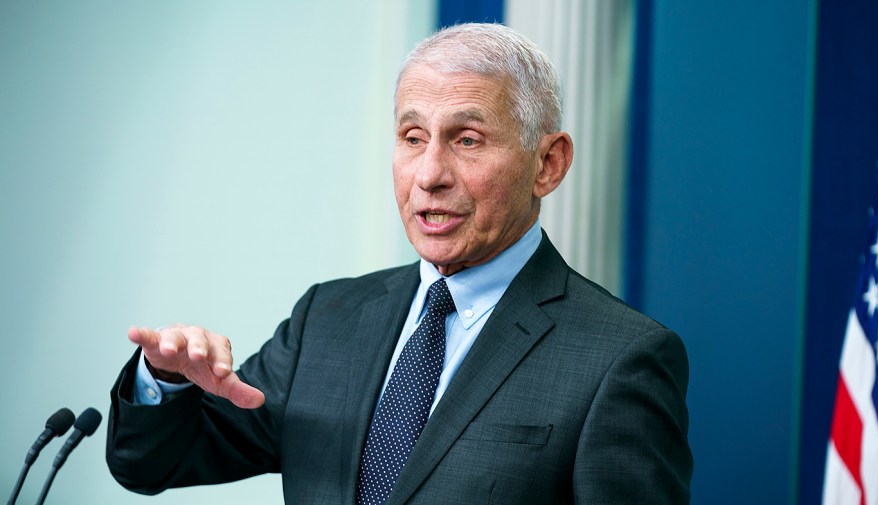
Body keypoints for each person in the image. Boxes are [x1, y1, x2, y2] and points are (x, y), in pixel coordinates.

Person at [106, 22, 692, 504]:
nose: (430, 174)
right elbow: (154, 464)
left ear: (547, 164)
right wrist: (167, 381)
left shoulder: (620, 358)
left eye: (466, 140)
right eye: (413, 137)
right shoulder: (327, 318)